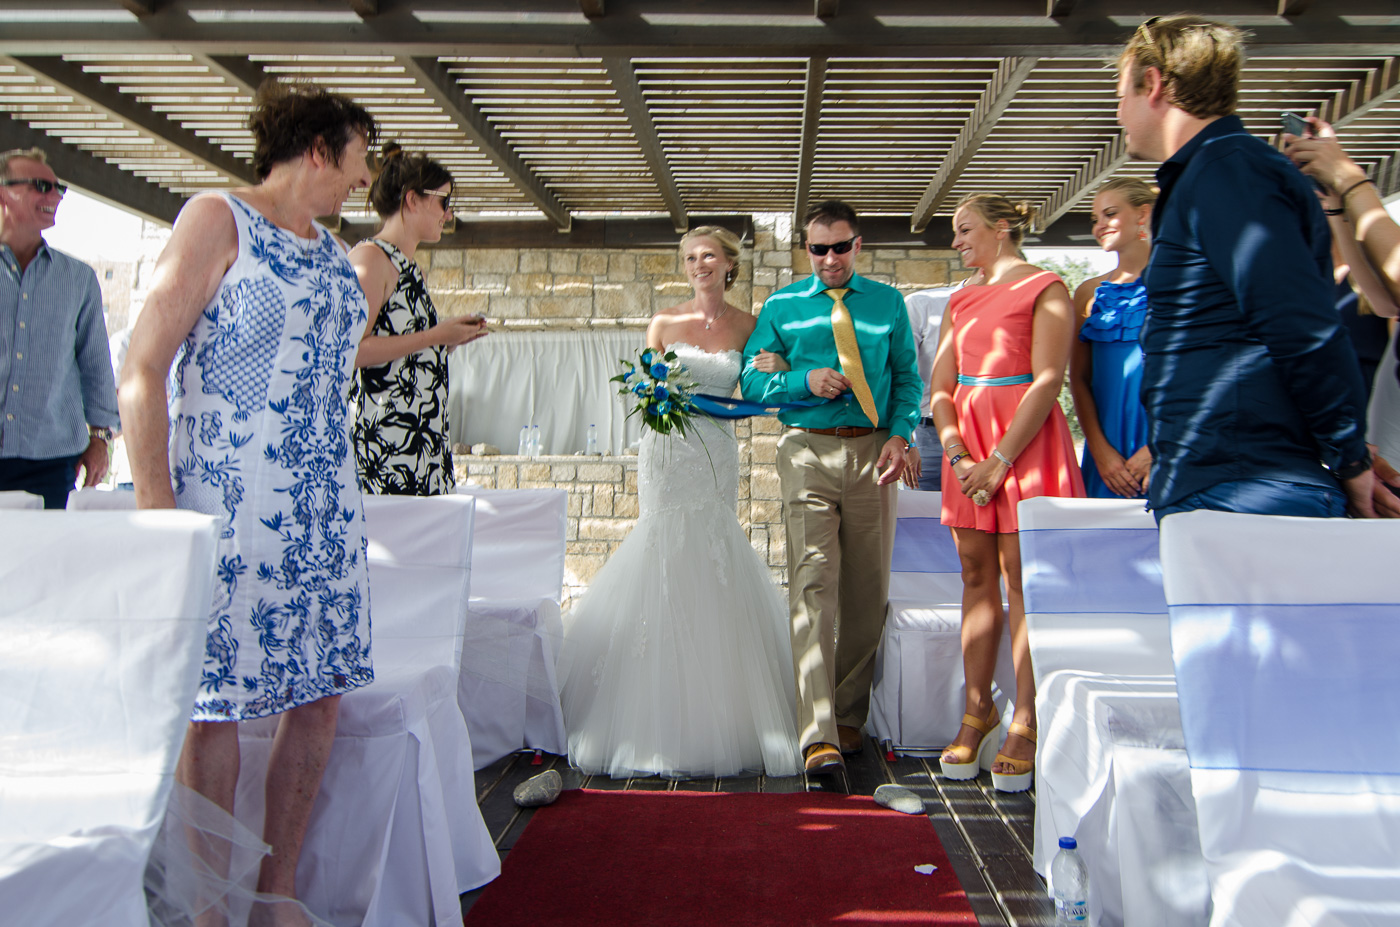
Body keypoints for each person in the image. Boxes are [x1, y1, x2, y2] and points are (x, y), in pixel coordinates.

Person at [120, 82, 378, 922]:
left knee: (321, 692)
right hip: (228, 502)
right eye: (359, 160)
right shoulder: (215, 218)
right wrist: (159, 513)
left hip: (324, 506)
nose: (363, 180)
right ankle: (208, 906)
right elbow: (143, 369)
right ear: (317, 151)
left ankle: (278, 893)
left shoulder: (332, 248)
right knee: (215, 705)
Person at [1116, 14, 1388, 519]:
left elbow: (1299, 326)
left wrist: (1349, 458)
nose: (1118, 114)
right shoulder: (1216, 172)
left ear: (1153, 84)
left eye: (1121, 95)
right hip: (1221, 477)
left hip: (1245, 486)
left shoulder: (1228, 172)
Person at [558, 225, 801, 779]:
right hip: (667, 454)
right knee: (664, 547)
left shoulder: (750, 324)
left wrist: (782, 370)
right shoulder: (664, 323)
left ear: (728, 264)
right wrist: (656, 396)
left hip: (717, 450)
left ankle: (724, 704)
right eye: (690, 257)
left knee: (713, 547)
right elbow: (647, 391)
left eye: (708, 256)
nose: (699, 265)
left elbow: (760, 390)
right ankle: (649, 711)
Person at [741, 199, 921, 777]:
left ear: (857, 245)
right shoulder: (782, 306)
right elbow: (750, 379)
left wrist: (900, 434)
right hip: (807, 451)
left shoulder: (888, 303)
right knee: (812, 584)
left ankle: (848, 714)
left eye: (840, 247)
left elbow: (908, 381)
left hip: (874, 453)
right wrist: (801, 378)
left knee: (867, 593)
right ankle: (816, 731)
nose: (829, 258)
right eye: (818, 248)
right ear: (807, 249)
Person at [929, 194, 1083, 792]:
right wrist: (961, 454)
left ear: (1002, 229)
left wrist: (998, 461)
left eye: (965, 230)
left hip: (1023, 444)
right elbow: (941, 385)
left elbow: (1049, 380)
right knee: (973, 575)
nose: (956, 241)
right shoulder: (959, 299)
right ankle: (977, 709)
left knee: (1023, 581)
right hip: (968, 447)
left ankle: (1027, 716)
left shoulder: (1047, 287)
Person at [350, 143, 488, 496]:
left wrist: (446, 340)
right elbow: (351, 352)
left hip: (422, 441)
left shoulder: (409, 269)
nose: (448, 214)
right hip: (387, 446)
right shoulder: (370, 261)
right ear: (412, 200)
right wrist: (434, 336)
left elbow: (403, 355)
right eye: (443, 202)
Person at [0, 147, 118, 508]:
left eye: (58, 188)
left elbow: (95, 366)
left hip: (51, 463)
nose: (55, 196)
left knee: (42, 564)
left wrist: (100, 438)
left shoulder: (78, 279)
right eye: (41, 186)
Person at [1068, 178, 1155, 499]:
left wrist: (1161, 446)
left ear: (1142, 214)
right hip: (1108, 454)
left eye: (1110, 214)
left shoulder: (1184, 286)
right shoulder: (1087, 293)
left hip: (1169, 447)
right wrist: (1100, 451)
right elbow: (1078, 379)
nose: (1099, 225)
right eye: (1095, 219)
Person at [902, 278, 975, 492]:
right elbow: (901, 376)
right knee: (924, 520)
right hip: (929, 436)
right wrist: (907, 440)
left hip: (988, 433)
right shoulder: (923, 304)